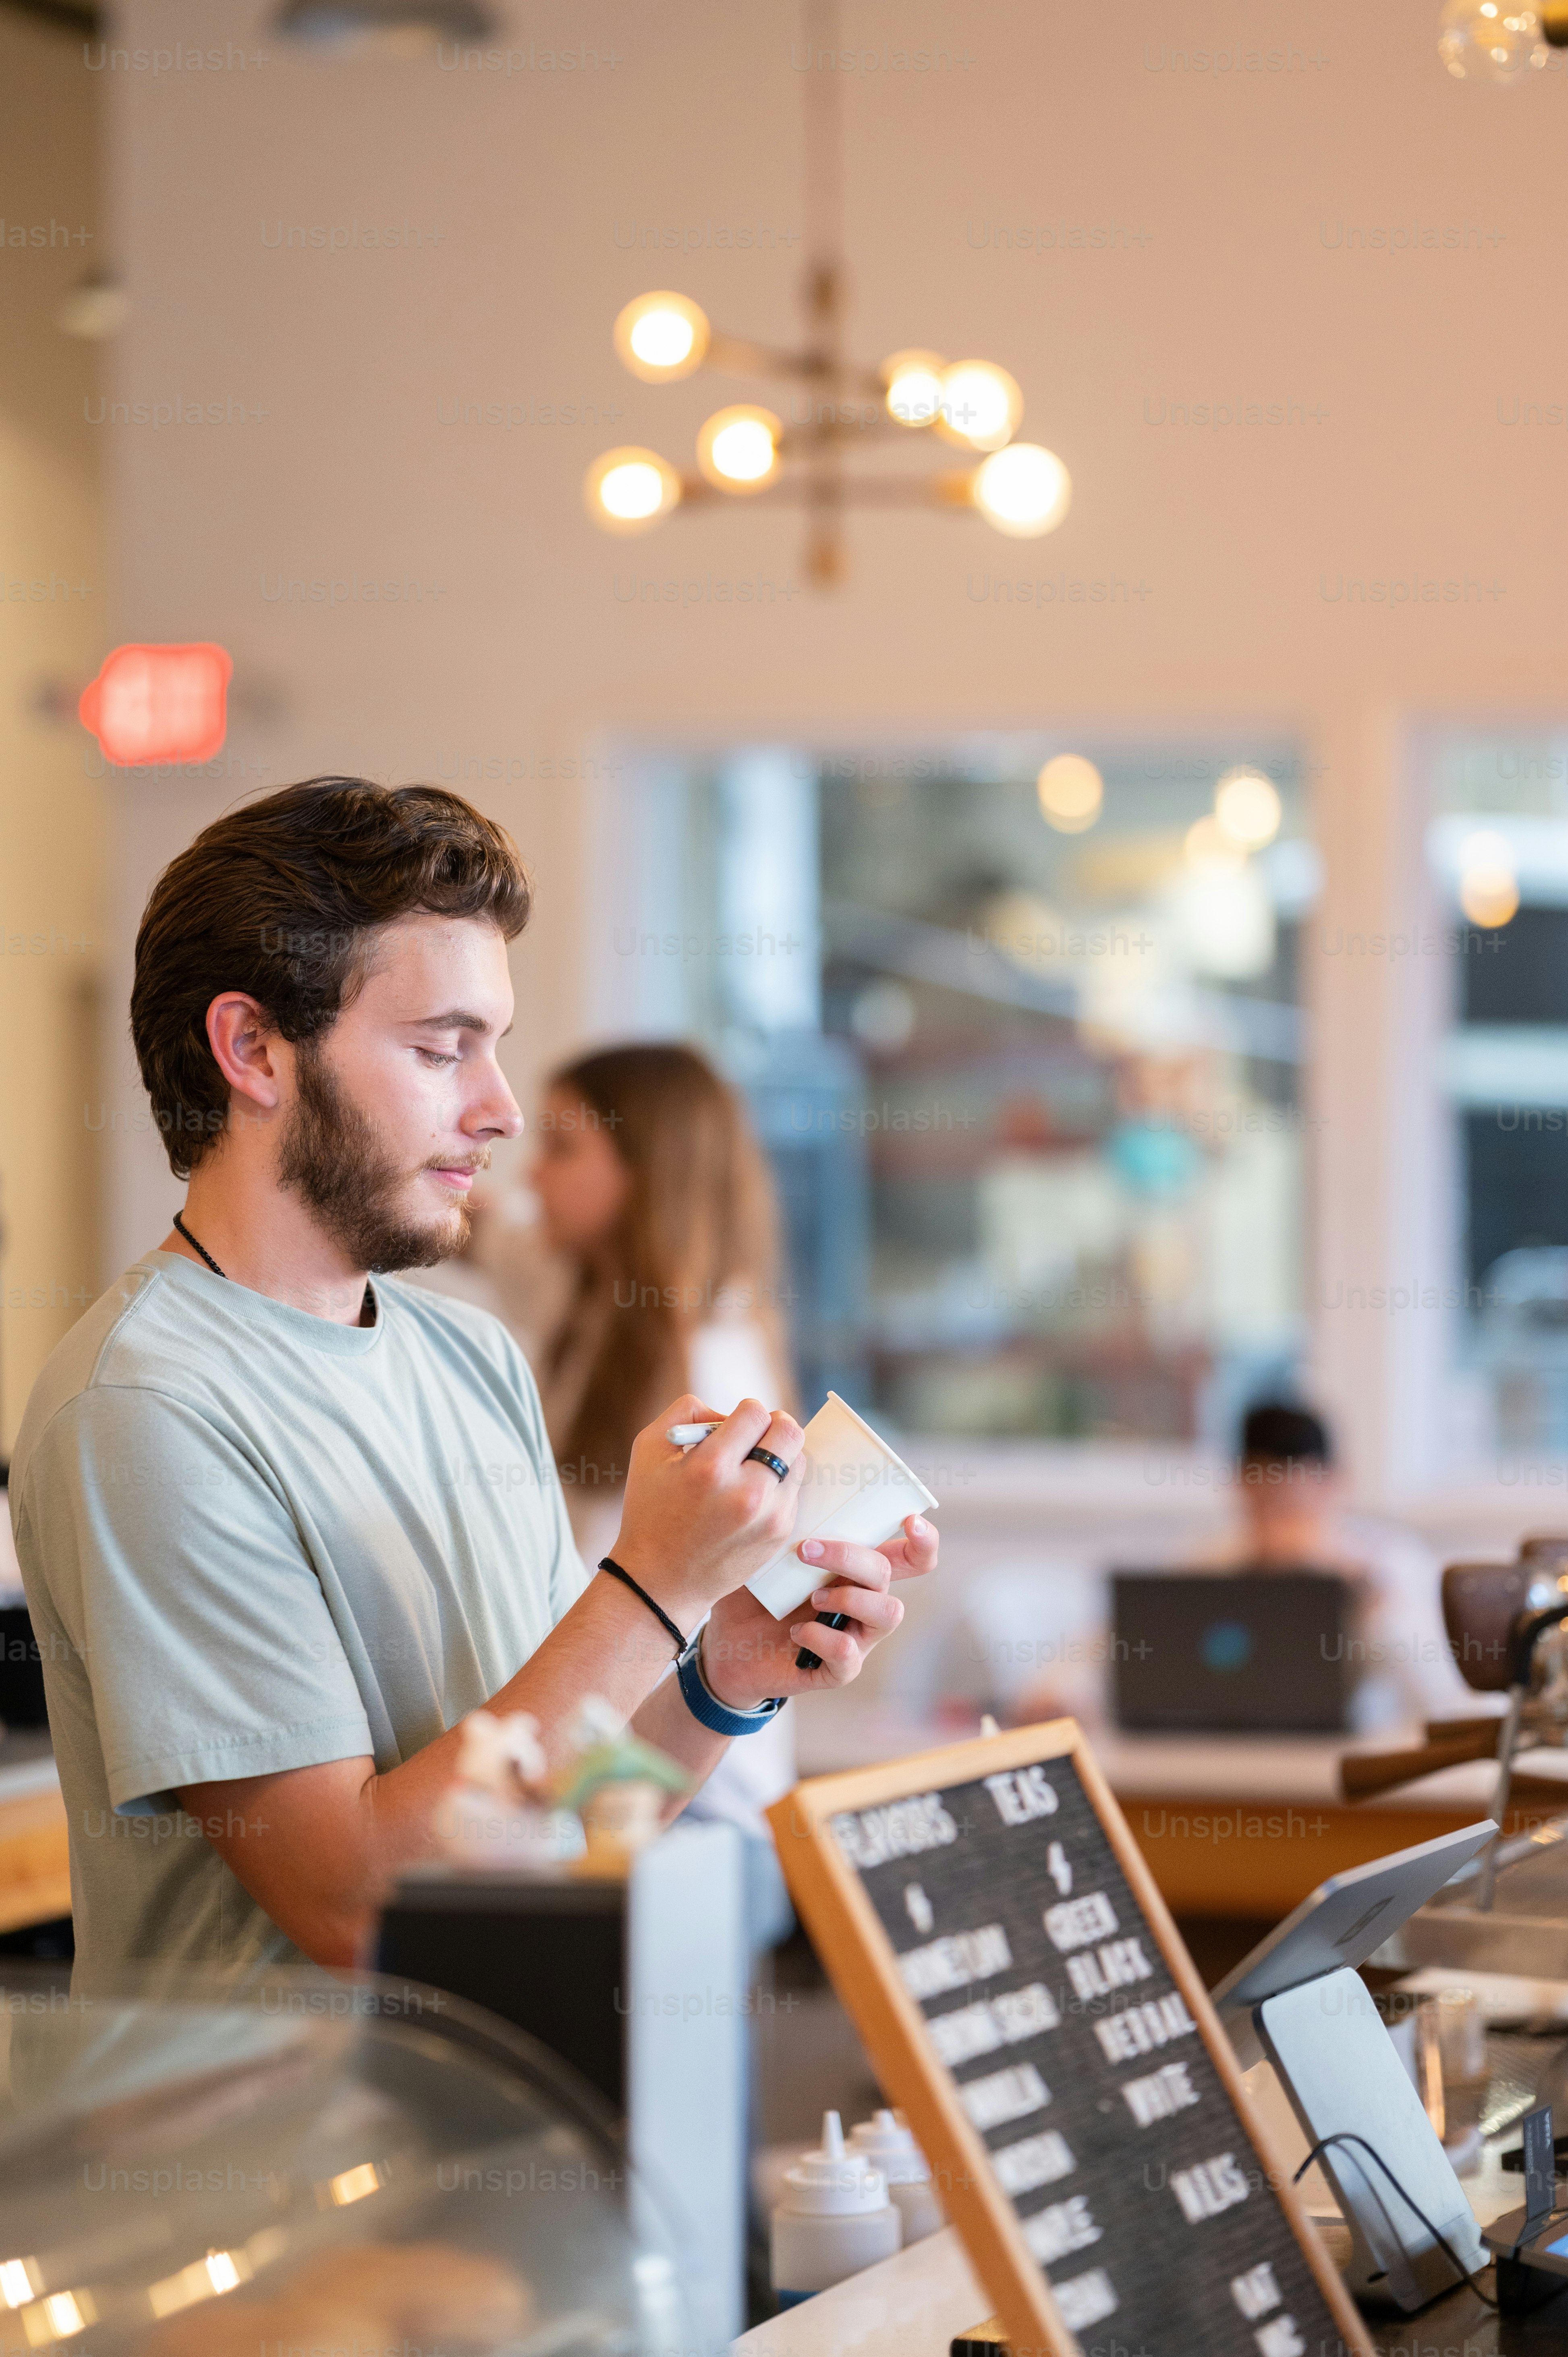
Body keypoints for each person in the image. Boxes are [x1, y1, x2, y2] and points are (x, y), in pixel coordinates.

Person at [8, 778, 938, 1987]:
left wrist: (719, 1678)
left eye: (491, 1048)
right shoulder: (148, 1413)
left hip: (495, 2139)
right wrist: (652, 1586)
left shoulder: (473, 1356)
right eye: (442, 1049)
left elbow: (567, 1819)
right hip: (258, 2168)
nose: (498, 1111)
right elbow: (351, 1907)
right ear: (251, 1050)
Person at [460, 1043, 799, 1932]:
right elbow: (484, 1227)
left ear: (643, 1172)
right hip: (613, 1763)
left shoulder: (714, 1375)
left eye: (565, 1146)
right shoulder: (587, 1296)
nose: (534, 1169)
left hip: (691, 1792)